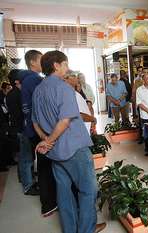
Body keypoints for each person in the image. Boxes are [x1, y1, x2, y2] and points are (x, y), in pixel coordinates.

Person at [32, 50, 105, 233]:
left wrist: (46, 141)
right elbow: (65, 120)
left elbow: (34, 122)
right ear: (56, 65)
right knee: (88, 190)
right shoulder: (64, 88)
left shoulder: (38, 90)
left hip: (55, 152)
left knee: (64, 193)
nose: (67, 68)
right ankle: (87, 229)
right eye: (65, 64)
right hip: (74, 148)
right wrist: (49, 140)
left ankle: (70, 229)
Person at [20, 50, 58, 212]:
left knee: (43, 165)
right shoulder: (33, 79)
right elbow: (37, 108)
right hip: (38, 130)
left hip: (34, 128)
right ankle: (49, 203)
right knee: (45, 166)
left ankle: (49, 201)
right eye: (41, 60)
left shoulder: (28, 79)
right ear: (33, 63)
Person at [64, 71, 96, 135]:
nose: (76, 78)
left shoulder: (75, 93)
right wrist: (93, 119)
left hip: (85, 128)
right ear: (67, 79)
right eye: (74, 76)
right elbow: (78, 115)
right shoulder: (69, 94)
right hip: (80, 130)